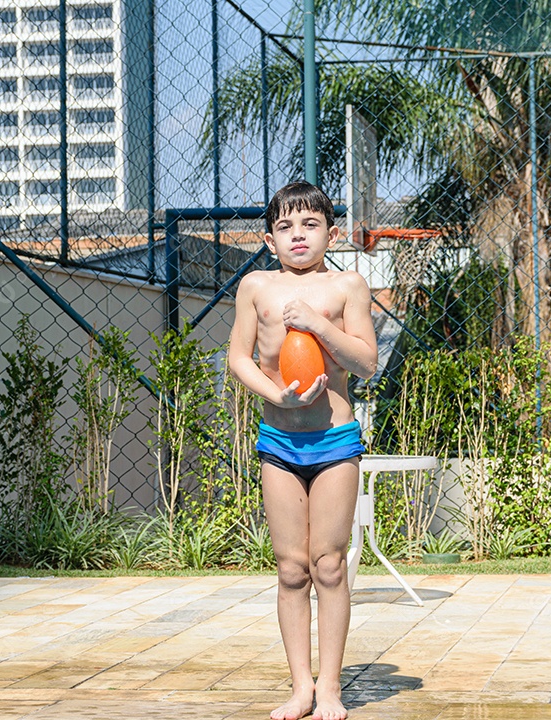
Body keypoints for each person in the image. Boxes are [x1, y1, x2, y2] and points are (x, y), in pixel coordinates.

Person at [228, 181, 378, 720]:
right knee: (292, 568)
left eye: (310, 225)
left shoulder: (347, 286)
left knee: (329, 565)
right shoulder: (256, 287)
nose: (298, 236)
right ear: (270, 239)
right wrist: (278, 397)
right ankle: (301, 688)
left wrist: (316, 324)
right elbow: (239, 359)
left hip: (335, 443)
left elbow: (366, 362)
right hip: (279, 442)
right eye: (286, 227)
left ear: (331, 233)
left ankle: (332, 687)